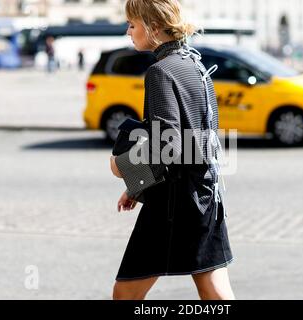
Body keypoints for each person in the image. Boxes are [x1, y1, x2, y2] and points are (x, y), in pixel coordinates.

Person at [109, 0, 235, 300]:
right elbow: (200, 139)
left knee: (125, 293)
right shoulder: (195, 64)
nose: (128, 31)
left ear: (153, 27)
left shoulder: (160, 71)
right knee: (215, 289)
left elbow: (169, 143)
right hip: (207, 195)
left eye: (132, 24)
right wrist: (138, 188)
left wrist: (122, 167)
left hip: (173, 205)